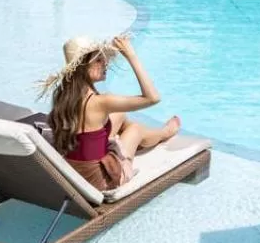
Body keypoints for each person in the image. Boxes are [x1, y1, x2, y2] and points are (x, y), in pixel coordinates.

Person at [43, 35, 180, 192]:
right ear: (82, 66)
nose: (105, 63)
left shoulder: (63, 95)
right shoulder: (100, 102)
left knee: (119, 115)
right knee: (135, 129)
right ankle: (164, 133)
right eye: (99, 60)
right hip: (99, 181)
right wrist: (131, 56)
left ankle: (131, 141)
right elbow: (152, 98)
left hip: (75, 171)